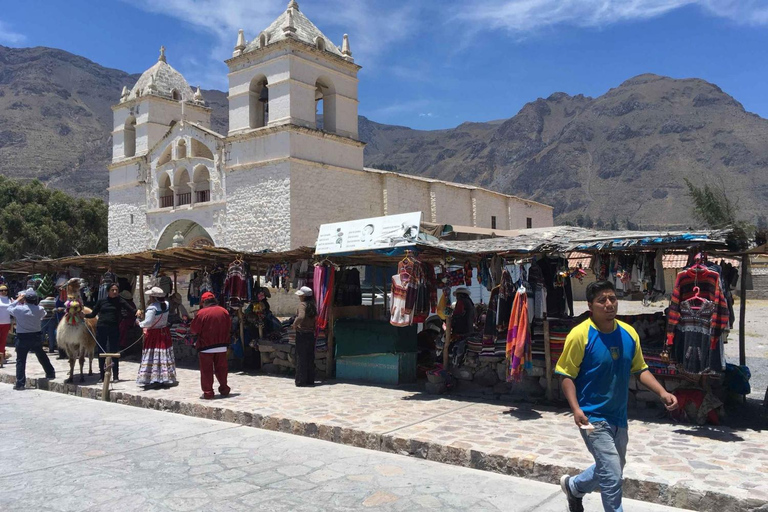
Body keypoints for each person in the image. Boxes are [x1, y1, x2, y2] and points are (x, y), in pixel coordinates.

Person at [556, 281, 678, 512]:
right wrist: (576, 409)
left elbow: (640, 369)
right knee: (612, 475)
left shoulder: (629, 333)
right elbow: (565, 374)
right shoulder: (579, 335)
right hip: (592, 416)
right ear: (590, 305)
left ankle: (574, 487)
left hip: (618, 416)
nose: (609, 304)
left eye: (612, 298)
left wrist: (662, 392)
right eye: (602, 300)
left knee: (613, 466)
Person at [85, 282, 136, 382]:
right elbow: (93, 314)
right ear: (108, 291)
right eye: (112, 290)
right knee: (101, 351)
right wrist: (84, 316)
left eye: (116, 290)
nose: (115, 292)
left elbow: (131, 310)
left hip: (114, 328)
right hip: (102, 328)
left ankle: (116, 376)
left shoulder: (120, 301)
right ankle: (102, 376)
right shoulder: (101, 301)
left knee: (114, 351)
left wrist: (137, 312)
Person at [8, 289, 55, 390]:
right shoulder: (40, 309)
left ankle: (20, 383)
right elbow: (43, 315)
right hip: (35, 336)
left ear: (25, 299)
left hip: (22, 337)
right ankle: (50, 373)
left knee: (21, 360)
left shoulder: (18, 309)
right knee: (41, 355)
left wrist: (17, 300)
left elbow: (9, 308)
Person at [190, 291, 231, 399]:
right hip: (222, 345)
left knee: (206, 371)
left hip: (206, 346)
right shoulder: (224, 311)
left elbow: (194, 330)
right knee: (222, 369)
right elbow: (229, 326)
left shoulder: (201, 313)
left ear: (203, 302)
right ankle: (224, 389)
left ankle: (208, 392)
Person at [136, 287, 177, 388]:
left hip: (154, 334)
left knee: (152, 354)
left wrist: (139, 322)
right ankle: (163, 377)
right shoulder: (166, 305)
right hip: (164, 332)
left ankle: (153, 378)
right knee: (162, 355)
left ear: (153, 297)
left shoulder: (152, 308)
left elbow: (148, 322)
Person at [292, 286, 317, 387]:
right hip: (311, 334)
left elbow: (301, 317)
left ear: (303, 296)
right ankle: (310, 379)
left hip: (302, 334)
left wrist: (294, 324)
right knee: (310, 357)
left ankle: (301, 381)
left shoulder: (303, 305)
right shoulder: (313, 306)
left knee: (301, 357)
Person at [0, 284, 13, 367]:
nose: (4, 292)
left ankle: (2, 357)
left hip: (6, 322)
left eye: (5, 290)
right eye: (1, 290)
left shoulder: (10, 300)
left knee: (3, 340)